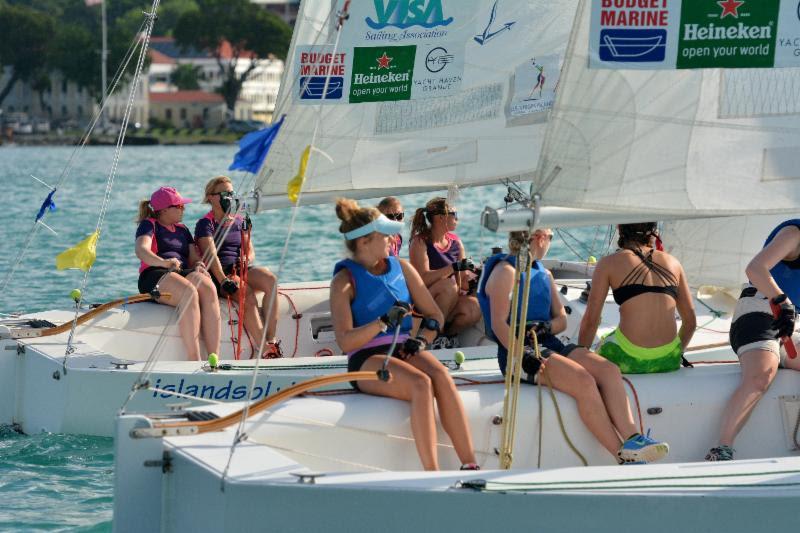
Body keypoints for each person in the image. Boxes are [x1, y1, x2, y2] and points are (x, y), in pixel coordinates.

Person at [479, 228, 670, 464]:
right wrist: (523, 353)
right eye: (550, 237)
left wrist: (547, 328)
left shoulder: (544, 274)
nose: (550, 242)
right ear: (539, 237)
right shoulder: (505, 272)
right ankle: (623, 456)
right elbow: (499, 324)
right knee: (583, 381)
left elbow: (561, 319)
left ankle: (633, 438)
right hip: (517, 352)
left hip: (548, 342)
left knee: (609, 371)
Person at [330, 198, 478, 471]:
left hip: (405, 349)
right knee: (421, 385)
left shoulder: (403, 268)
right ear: (365, 242)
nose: (392, 238)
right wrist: (382, 322)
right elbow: (345, 340)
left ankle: (470, 464)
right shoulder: (343, 281)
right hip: (366, 358)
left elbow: (435, 316)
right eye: (385, 234)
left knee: (443, 377)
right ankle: (431, 473)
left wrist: (421, 340)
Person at [706, 219, 800, 461]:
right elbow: (756, 268)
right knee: (762, 375)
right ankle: (722, 450)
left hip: (791, 326)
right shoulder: (793, 234)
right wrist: (783, 302)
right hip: (759, 311)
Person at [579, 222, 696, 375]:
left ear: (620, 229)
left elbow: (591, 321)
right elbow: (690, 322)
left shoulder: (608, 263)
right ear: (653, 232)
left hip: (626, 359)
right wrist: (674, 352)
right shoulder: (674, 263)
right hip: (669, 359)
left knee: (601, 346)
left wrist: (579, 357)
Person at [195, 176, 281, 358]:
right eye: (224, 193)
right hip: (221, 273)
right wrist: (224, 280)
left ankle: (271, 340)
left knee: (271, 280)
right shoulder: (205, 224)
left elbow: (250, 251)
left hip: (241, 268)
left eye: (231, 193)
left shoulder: (240, 220)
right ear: (210, 197)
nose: (229, 197)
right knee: (246, 294)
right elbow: (210, 255)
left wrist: (246, 258)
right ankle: (263, 348)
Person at [135, 186, 220, 361]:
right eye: (179, 206)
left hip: (180, 271)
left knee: (209, 288)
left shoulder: (182, 229)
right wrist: (164, 262)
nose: (184, 209)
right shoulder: (149, 225)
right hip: (154, 274)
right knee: (189, 292)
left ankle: (214, 357)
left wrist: (198, 265)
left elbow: (193, 257)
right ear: (164, 210)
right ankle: (193, 359)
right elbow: (141, 250)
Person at [409, 197, 481, 345]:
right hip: (424, 303)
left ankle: (446, 337)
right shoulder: (420, 242)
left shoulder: (456, 242)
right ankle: (432, 335)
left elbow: (463, 284)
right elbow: (421, 279)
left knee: (473, 308)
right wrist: (452, 268)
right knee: (448, 286)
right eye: (455, 214)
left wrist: (477, 279)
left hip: (449, 299)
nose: (457, 219)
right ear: (441, 218)